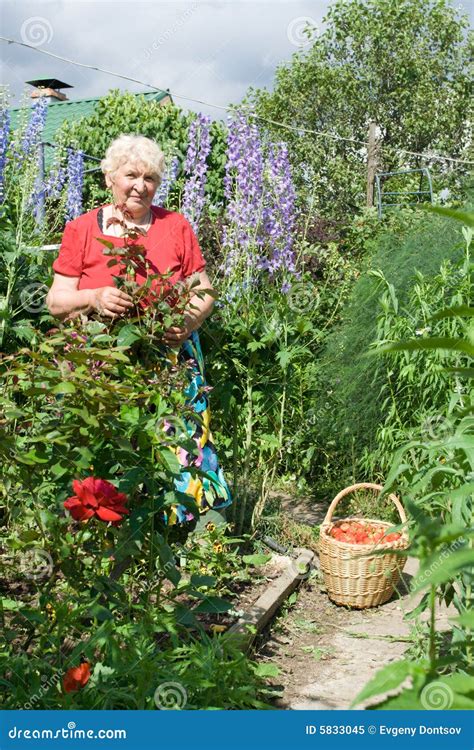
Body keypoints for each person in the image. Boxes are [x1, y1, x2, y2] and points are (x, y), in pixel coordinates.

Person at [46, 134, 232, 530]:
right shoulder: (80, 229)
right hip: (100, 357)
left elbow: (204, 290)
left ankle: (193, 524)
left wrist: (187, 323)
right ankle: (106, 527)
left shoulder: (176, 226)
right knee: (106, 441)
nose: (140, 185)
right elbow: (57, 301)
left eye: (150, 178)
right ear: (110, 177)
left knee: (182, 439)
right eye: (131, 175)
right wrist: (93, 297)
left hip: (171, 355)